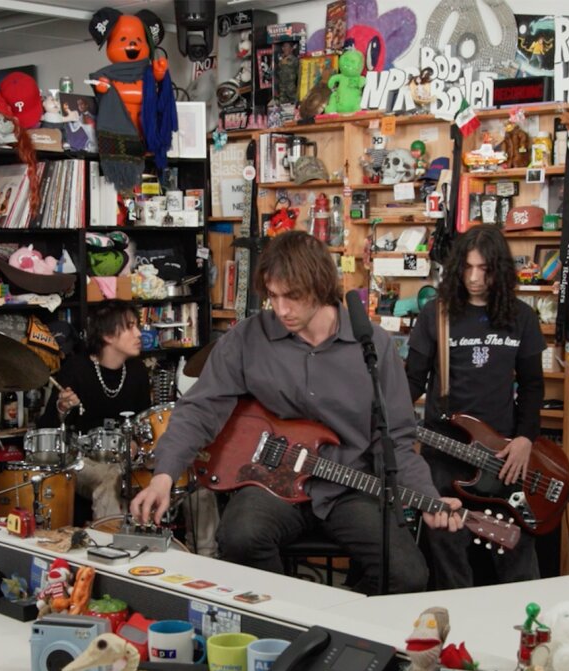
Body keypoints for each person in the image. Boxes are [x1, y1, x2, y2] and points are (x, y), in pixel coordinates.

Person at [130, 230, 460, 594]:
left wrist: (427, 494)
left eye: (293, 296)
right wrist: (164, 474)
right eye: (273, 296)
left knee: (408, 573)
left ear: (320, 287)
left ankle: (346, 627)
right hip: (269, 484)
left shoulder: (372, 345)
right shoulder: (248, 338)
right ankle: (286, 622)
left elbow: (397, 438)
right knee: (239, 537)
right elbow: (200, 408)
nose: (281, 309)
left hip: (347, 487)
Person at [405, 226, 546, 589]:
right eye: (467, 268)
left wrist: (525, 439)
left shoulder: (521, 317)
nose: (474, 278)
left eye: (484, 269)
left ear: (499, 269)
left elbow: (532, 386)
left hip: (502, 459)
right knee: (449, 554)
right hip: (445, 456)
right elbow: (411, 383)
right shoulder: (436, 315)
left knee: (516, 555)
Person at [39, 300, 151, 522]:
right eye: (130, 327)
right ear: (108, 336)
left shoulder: (137, 370)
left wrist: (137, 443)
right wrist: (61, 407)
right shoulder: (76, 369)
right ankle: (109, 546)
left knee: (186, 474)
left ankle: (207, 553)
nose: (139, 333)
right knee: (111, 478)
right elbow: (47, 429)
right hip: (83, 461)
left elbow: (144, 421)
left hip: (125, 459)